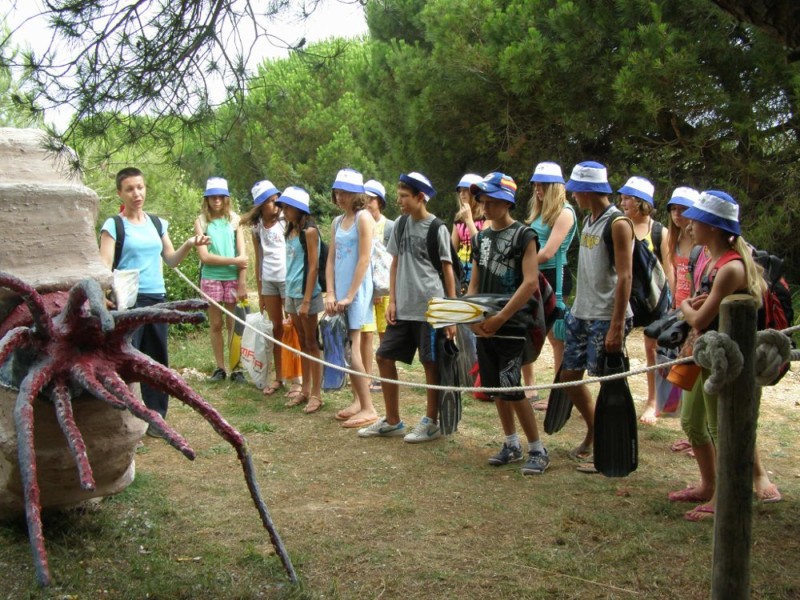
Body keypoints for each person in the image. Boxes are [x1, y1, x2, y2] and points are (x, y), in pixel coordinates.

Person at [669, 190, 781, 521]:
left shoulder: (731, 268)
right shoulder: (709, 259)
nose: (690, 225)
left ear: (714, 228)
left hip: (724, 362)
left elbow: (699, 318)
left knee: (722, 429)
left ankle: (725, 497)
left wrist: (686, 306)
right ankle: (708, 484)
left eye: (697, 221)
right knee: (692, 422)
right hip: (704, 355)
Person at [99, 167, 209, 433]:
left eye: (140, 187)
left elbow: (171, 260)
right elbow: (103, 266)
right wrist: (102, 296)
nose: (136, 193)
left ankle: (157, 417)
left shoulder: (157, 224)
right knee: (126, 358)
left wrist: (189, 244)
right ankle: (123, 417)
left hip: (157, 298)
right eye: (129, 189)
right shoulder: (113, 226)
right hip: (128, 301)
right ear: (120, 193)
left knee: (156, 359)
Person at [358, 171, 457, 442]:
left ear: (420, 197)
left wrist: (450, 315)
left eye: (404, 196)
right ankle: (393, 420)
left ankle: (431, 422)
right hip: (402, 307)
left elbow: (448, 271)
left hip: (431, 308)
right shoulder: (400, 225)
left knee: (430, 363)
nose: (399, 201)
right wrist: (393, 300)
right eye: (399, 196)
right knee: (383, 356)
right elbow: (395, 263)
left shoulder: (437, 227)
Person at [467, 172, 550, 474]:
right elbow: (473, 284)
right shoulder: (480, 238)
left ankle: (537, 449)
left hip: (513, 326)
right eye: (482, 200)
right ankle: (511, 444)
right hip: (485, 326)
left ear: (506, 202)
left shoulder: (524, 235)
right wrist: (472, 318)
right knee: (495, 388)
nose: (484, 206)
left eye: (490, 200)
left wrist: (502, 317)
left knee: (512, 387)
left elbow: (530, 282)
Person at [560, 161, 634, 469]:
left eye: (576, 190)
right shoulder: (588, 219)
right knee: (569, 378)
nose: (573, 195)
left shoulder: (618, 223)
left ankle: (606, 448)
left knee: (607, 384)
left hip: (606, 316)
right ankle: (594, 430)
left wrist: (616, 325)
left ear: (588, 190)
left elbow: (626, 275)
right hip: (581, 312)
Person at [325, 168, 379, 428]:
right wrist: (331, 292)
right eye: (337, 192)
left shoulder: (363, 218)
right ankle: (358, 401)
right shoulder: (337, 222)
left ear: (357, 194)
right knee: (346, 347)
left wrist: (349, 295)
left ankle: (369, 407)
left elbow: (364, 259)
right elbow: (331, 260)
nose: (340, 197)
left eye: (345, 192)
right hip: (340, 293)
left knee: (353, 348)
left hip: (357, 292)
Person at [522, 161, 578, 409]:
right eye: (536, 184)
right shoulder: (539, 210)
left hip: (555, 277)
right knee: (530, 330)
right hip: (535, 274)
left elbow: (548, 252)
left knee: (557, 338)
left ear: (554, 187)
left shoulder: (565, 212)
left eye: (542, 184)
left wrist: (519, 262)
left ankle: (560, 393)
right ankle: (531, 387)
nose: (537, 189)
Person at [617, 176, 671, 425]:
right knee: (616, 345)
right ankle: (619, 398)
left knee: (653, 349)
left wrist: (670, 306)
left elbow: (667, 271)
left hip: (652, 299)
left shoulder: (659, 232)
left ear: (641, 202)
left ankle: (653, 400)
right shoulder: (620, 225)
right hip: (625, 296)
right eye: (622, 197)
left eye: (628, 198)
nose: (623, 202)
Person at [241, 180, 301, 399]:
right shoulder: (257, 227)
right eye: (271, 201)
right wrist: (260, 292)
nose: (276, 205)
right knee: (276, 329)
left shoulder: (286, 222)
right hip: (268, 281)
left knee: (290, 327)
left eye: (277, 200)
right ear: (260, 205)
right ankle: (279, 376)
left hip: (287, 279)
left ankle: (297, 379)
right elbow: (259, 259)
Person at [194, 177, 248, 383]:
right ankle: (220, 368)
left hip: (232, 278)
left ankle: (236, 367)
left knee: (233, 323)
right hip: (211, 277)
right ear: (207, 199)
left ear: (226, 199)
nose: (216, 200)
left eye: (220, 197)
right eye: (212, 197)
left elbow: (243, 256)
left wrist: (242, 281)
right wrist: (234, 261)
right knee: (216, 324)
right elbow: (205, 257)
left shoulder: (234, 220)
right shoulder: (201, 222)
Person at [276, 186, 324, 413]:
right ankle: (304, 389)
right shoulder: (291, 231)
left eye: (288, 207)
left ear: (299, 208)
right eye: (283, 207)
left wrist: (306, 300)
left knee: (312, 342)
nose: (284, 211)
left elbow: (313, 267)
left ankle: (316, 394)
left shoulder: (310, 231)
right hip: (292, 292)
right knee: (302, 341)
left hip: (307, 294)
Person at [360, 179, 395, 392]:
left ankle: (385, 376)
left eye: (371, 199)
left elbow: (392, 260)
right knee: (366, 332)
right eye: (364, 199)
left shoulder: (389, 226)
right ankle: (366, 376)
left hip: (385, 288)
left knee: (384, 333)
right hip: (365, 288)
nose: (367, 203)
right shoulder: (360, 223)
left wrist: (383, 288)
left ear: (380, 202)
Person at [451, 173, 485, 294]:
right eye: (460, 191)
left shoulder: (486, 217)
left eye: (466, 190)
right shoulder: (459, 219)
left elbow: (481, 245)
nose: (462, 194)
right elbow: (452, 250)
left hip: (480, 273)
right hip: (462, 275)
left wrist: (469, 220)